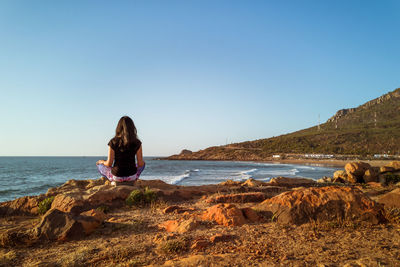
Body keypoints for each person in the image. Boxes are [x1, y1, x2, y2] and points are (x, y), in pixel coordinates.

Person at [96, 116, 145, 185]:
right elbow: (140, 164)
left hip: (117, 177)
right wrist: (139, 165)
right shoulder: (137, 142)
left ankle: (114, 182)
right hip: (132, 176)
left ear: (119, 128)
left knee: (100, 165)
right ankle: (131, 181)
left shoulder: (113, 142)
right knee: (143, 164)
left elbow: (109, 163)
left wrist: (101, 162)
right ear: (132, 128)